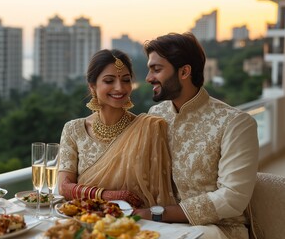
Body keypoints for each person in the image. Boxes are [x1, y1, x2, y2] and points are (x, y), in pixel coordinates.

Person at [137, 32, 259, 239]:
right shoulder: (156, 115)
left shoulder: (235, 123)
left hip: (216, 230)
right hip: (159, 226)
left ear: (184, 72)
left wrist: (155, 214)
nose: (149, 78)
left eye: (156, 70)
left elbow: (232, 198)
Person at [57, 49, 176, 208]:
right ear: (92, 86)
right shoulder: (74, 130)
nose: (120, 88)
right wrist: (109, 196)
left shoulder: (148, 129)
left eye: (126, 80)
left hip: (134, 223)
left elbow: (158, 194)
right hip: (85, 219)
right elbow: (64, 187)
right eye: (109, 81)